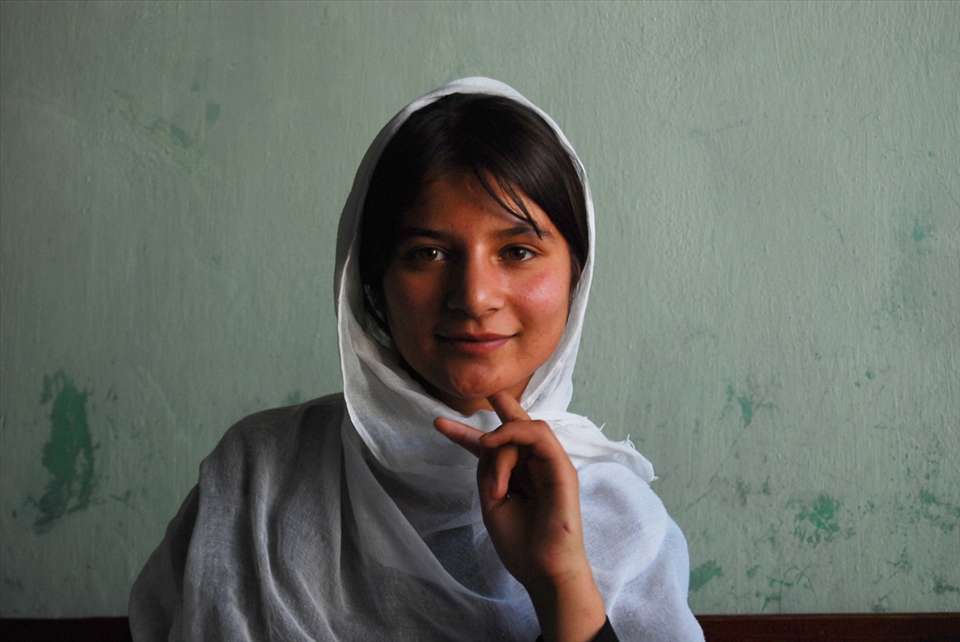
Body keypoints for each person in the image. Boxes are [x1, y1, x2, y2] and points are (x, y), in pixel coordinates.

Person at [128, 77, 704, 642]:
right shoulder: (259, 479)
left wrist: (563, 583)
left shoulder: (620, 522)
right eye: (427, 253)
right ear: (371, 283)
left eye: (519, 251)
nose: (475, 296)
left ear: (576, 273)